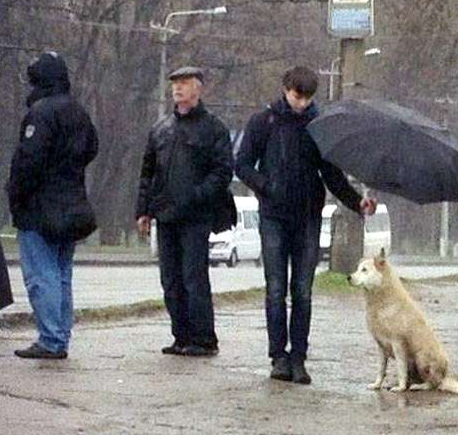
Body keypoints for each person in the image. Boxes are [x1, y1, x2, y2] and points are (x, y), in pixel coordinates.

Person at [235, 66, 376, 384]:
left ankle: (298, 357)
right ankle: (278, 356)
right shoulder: (264, 121)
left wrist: (357, 203)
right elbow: (242, 164)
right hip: (273, 215)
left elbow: (332, 174)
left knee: (302, 291)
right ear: (286, 89)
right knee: (275, 289)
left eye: (307, 98)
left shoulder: (318, 126)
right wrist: (266, 186)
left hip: (308, 217)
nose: (301, 103)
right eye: (297, 96)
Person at [7, 51, 99, 359]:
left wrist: (15, 194)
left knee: (40, 276)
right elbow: (92, 147)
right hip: (71, 203)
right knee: (61, 275)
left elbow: (29, 160)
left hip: (39, 208)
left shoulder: (41, 113)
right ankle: (60, 336)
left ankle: (50, 339)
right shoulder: (77, 111)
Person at [136, 66, 233, 357]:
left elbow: (222, 171)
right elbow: (148, 173)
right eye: (175, 84)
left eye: (185, 83)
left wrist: (197, 195)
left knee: (194, 278)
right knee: (170, 279)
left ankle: (203, 338)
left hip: (196, 216)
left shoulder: (213, 128)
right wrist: (143, 210)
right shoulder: (161, 129)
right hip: (166, 214)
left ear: (198, 88)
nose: (178, 88)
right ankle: (181, 335)